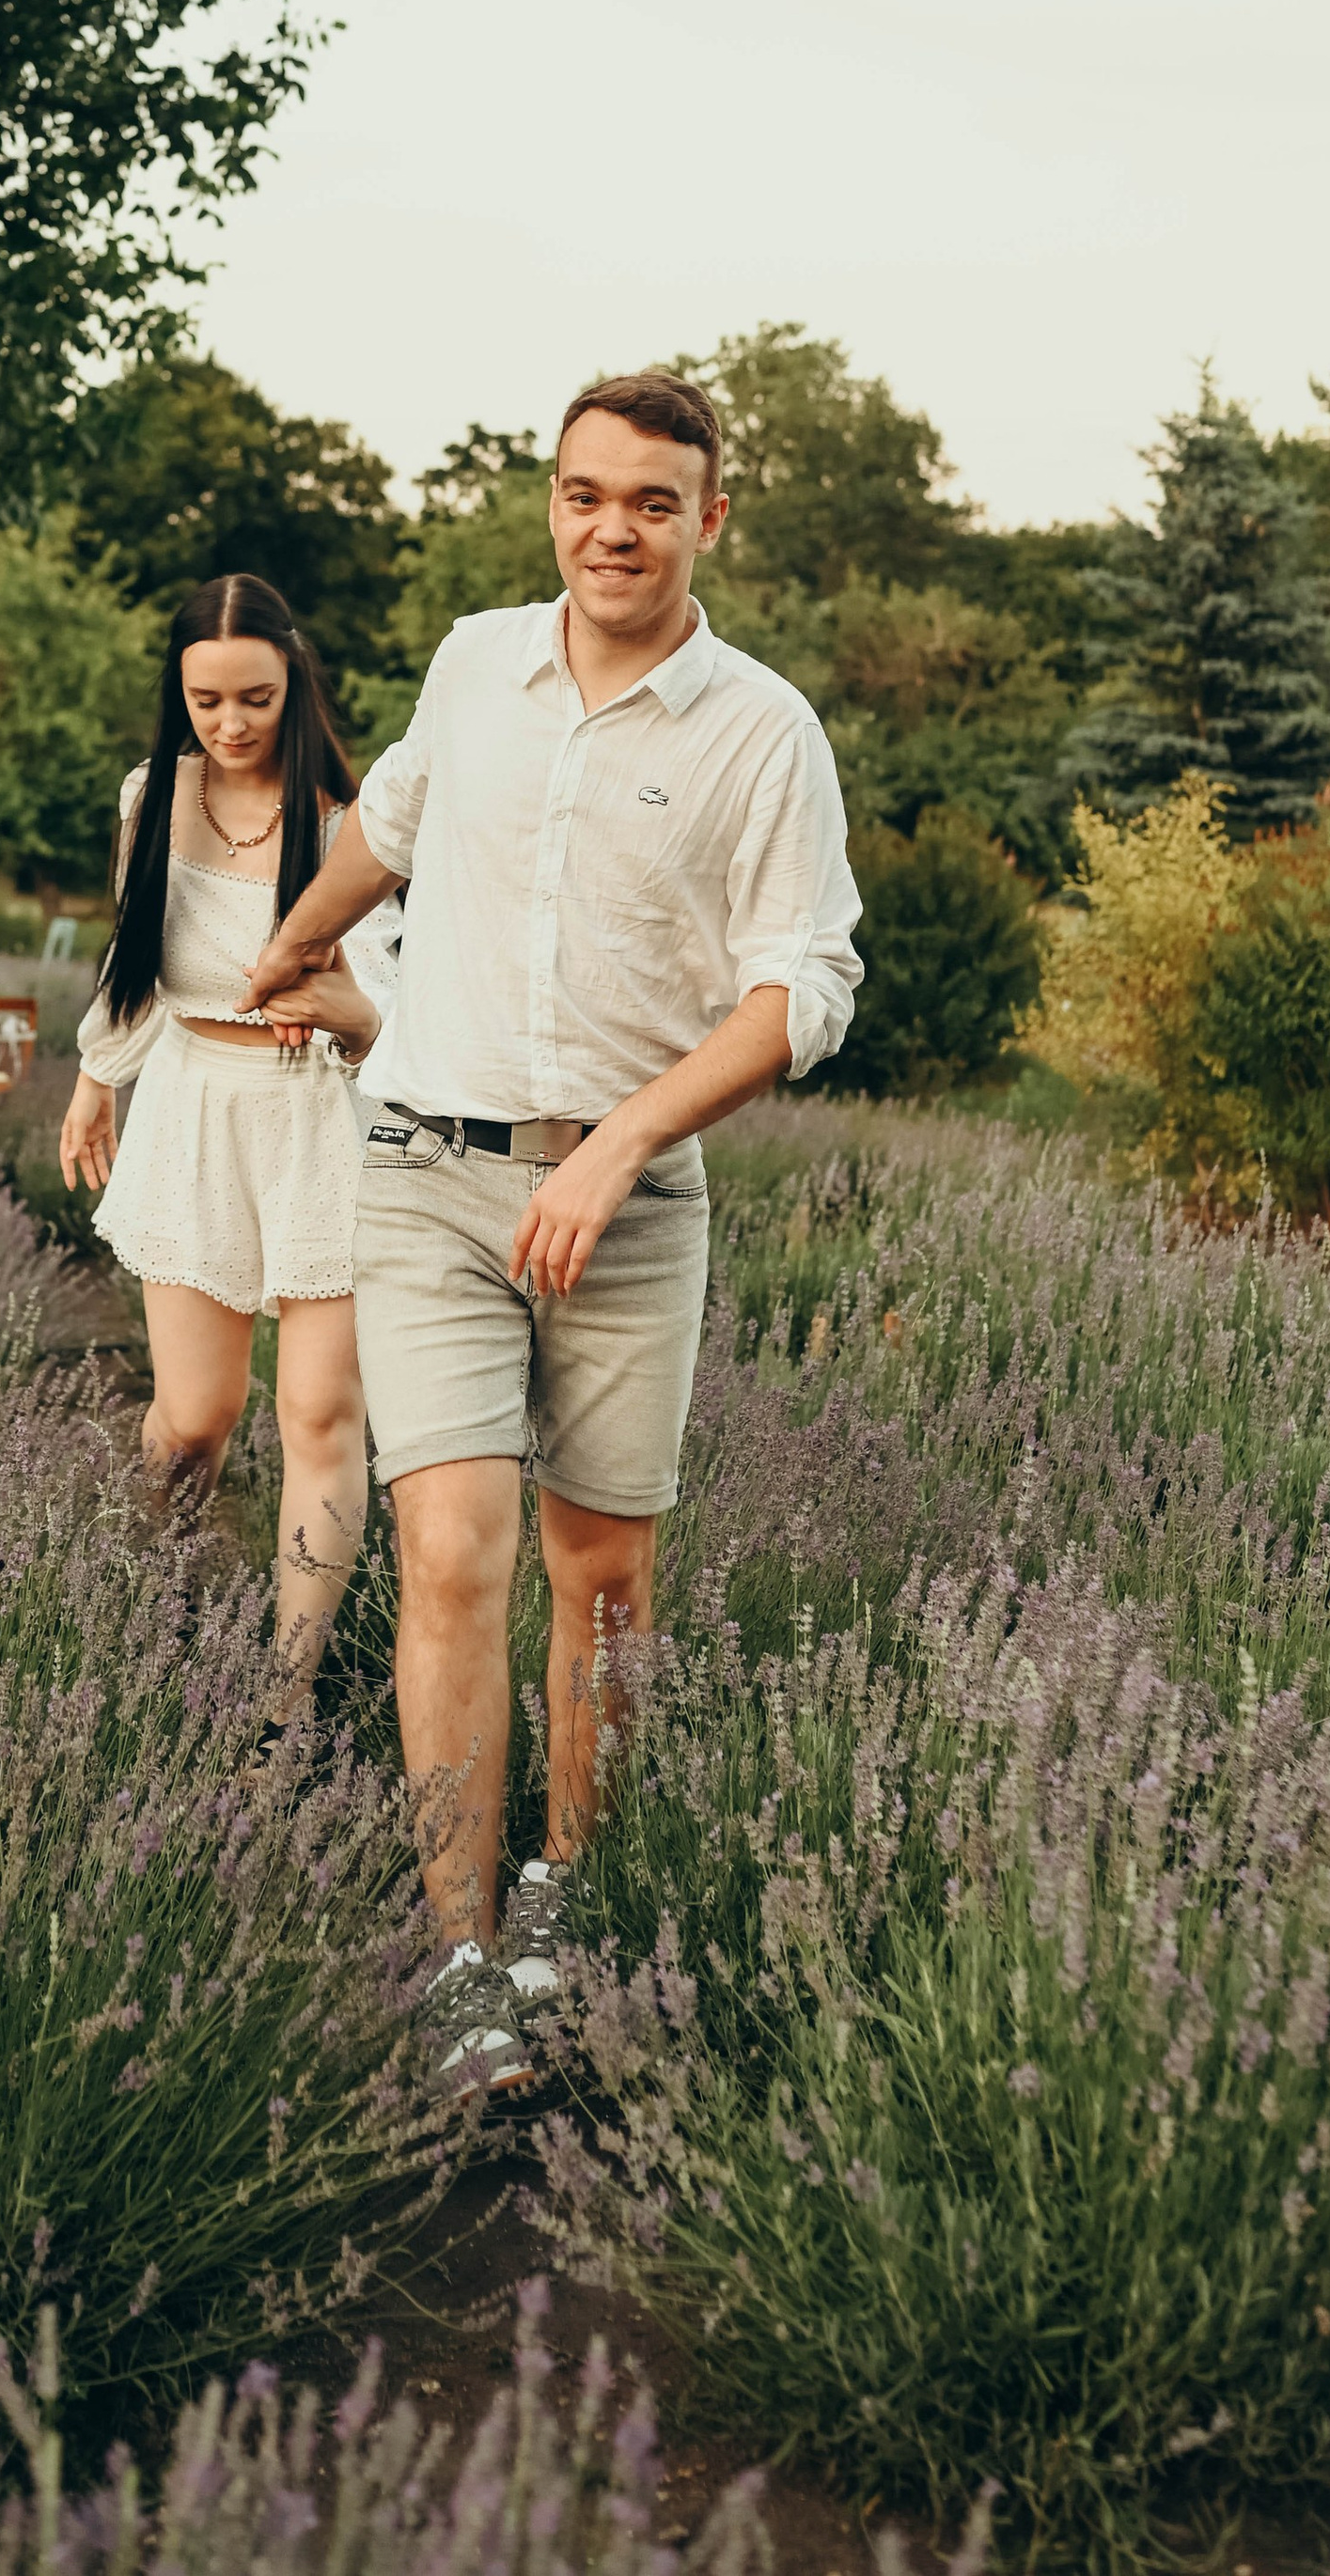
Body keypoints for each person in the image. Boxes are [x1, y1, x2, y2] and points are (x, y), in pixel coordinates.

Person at [241, 369, 862, 2084]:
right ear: (553, 502)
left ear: (711, 519)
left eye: (654, 502)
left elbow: (801, 989)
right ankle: (455, 1959)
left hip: (631, 1202)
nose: (615, 528)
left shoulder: (761, 731)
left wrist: (620, 1149)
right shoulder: (474, 662)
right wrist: (295, 944)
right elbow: (397, 819)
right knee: (447, 1553)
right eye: (588, 495)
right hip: (429, 1172)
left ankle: (567, 1899)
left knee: (602, 1580)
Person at [60, 572, 397, 1746]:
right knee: (195, 1415)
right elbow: (131, 952)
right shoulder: (155, 795)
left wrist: (347, 1007)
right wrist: (98, 1073)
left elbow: (396, 1014)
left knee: (319, 1415)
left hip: (318, 1123)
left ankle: (282, 1693)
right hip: (196, 1107)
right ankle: (133, 1619)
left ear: (293, 680)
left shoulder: (356, 823)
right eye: (207, 701)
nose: (232, 723)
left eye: (254, 697)